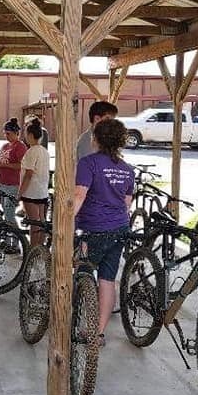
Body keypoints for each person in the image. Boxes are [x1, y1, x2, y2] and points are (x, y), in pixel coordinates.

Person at [73, 118, 135, 345]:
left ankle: (79, 321)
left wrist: (67, 222)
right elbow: (127, 204)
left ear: (96, 139)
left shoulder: (88, 163)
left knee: (83, 271)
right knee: (107, 279)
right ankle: (98, 332)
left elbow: (79, 195)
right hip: (119, 228)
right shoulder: (127, 170)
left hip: (92, 228)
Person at [18, 120, 50, 248]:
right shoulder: (44, 151)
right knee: (41, 220)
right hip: (42, 191)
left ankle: (32, 249)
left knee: (34, 222)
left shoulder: (31, 152)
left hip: (31, 192)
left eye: (26, 134)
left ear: (30, 135)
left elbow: (29, 174)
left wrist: (20, 193)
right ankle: (40, 247)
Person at [0, 118, 27, 225]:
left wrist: (4, 165)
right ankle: (9, 238)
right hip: (1, 183)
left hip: (12, 185)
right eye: (5, 133)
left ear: (16, 133)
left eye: (8, 133)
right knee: (5, 212)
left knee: (9, 214)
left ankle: (15, 239)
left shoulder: (20, 147)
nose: (6, 136)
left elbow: (21, 165)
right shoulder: (5, 146)